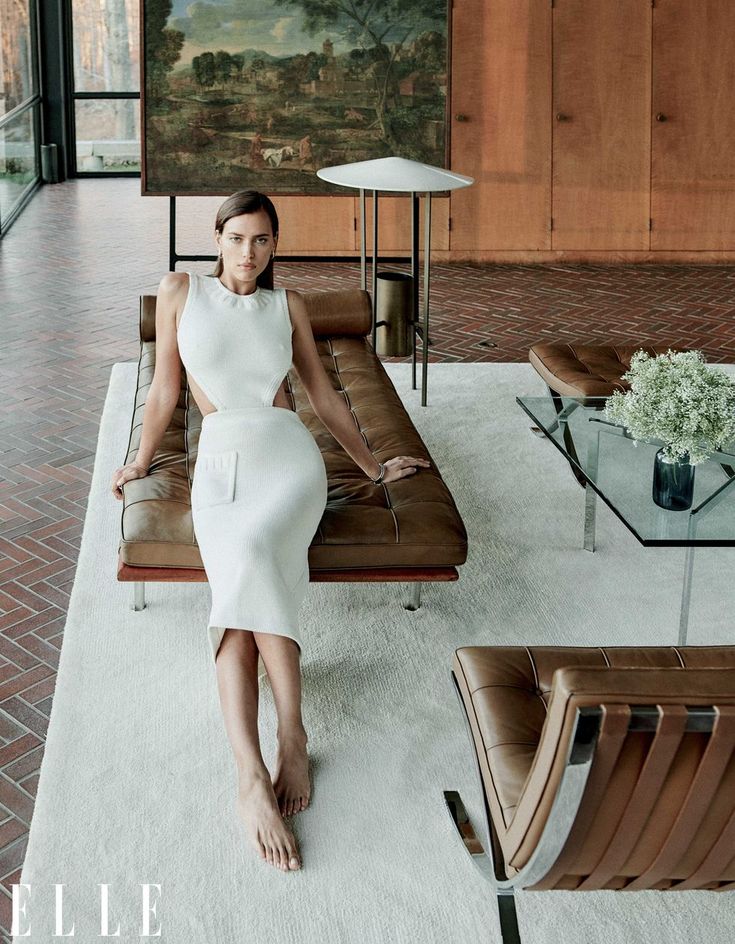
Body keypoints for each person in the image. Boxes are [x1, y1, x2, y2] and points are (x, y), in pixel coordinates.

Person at [110, 191, 430, 874]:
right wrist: (138, 462)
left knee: (251, 561)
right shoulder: (179, 291)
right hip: (221, 455)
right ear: (216, 239)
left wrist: (373, 468)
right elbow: (166, 390)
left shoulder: (287, 309)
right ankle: (257, 767)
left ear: (273, 246)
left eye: (261, 241)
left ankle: (284, 740)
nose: (248, 253)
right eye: (236, 238)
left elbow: (321, 397)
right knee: (247, 568)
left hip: (286, 459)